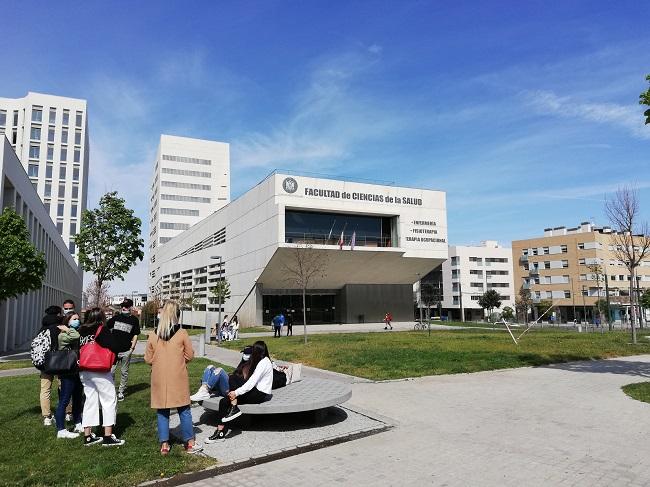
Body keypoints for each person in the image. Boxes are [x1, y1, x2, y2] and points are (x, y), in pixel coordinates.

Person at [145, 301, 202, 455]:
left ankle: (164, 444)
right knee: (184, 409)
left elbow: (148, 359)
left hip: (159, 376)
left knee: (162, 410)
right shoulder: (182, 333)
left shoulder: (153, 334)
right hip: (178, 375)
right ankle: (190, 442)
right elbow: (190, 355)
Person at [205, 341, 273, 443]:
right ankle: (234, 406)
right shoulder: (264, 360)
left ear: (256, 352)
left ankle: (220, 432)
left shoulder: (263, 363)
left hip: (259, 394)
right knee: (233, 378)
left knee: (223, 402)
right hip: (257, 391)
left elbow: (251, 383)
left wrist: (236, 393)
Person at [78, 308, 125, 447]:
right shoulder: (101, 329)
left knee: (90, 401)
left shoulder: (81, 331)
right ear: (101, 317)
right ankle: (108, 436)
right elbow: (115, 346)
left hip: (84, 370)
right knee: (109, 400)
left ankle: (87, 436)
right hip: (99, 370)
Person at [54, 312, 83, 439]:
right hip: (67, 371)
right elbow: (76, 336)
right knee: (65, 400)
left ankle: (78, 422)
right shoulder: (64, 335)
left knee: (77, 397)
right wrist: (67, 329)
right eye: (74, 319)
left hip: (76, 369)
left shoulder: (72, 332)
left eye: (78, 319)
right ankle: (61, 429)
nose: (78, 321)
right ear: (68, 321)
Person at [105, 299, 140, 402]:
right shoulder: (116, 318)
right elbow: (105, 328)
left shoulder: (134, 320)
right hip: (114, 350)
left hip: (126, 351)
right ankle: (111, 391)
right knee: (111, 372)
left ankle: (121, 392)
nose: (124, 308)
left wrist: (132, 348)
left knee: (124, 372)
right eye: (123, 306)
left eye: (126, 306)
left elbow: (135, 334)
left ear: (131, 307)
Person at [38, 306, 64, 426]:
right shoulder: (60, 328)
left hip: (45, 363)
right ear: (58, 314)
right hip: (60, 361)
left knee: (45, 389)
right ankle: (68, 413)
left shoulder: (42, 329)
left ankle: (47, 417)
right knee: (63, 387)